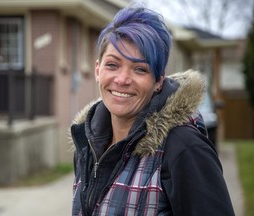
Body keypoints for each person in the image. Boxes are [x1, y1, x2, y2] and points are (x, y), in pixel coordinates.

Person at [70, 5, 235, 216]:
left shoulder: (184, 148)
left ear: (158, 81)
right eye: (112, 65)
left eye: (140, 69)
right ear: (97, 70)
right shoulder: (86, 145)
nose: (122, 80)